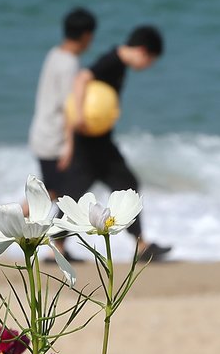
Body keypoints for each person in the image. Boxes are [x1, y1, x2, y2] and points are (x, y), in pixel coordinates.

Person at [60, 25, 172, 262]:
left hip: (99, 139)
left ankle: (140, 244)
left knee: (111, 186)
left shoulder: (118, 64)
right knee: (78, 192)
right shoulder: (111, 61)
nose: (148, 66)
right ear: (142, 51)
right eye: (150, 60)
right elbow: (81, 78)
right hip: (90, 141)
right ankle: (57, 246)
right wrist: (79, 115)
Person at [29, 7, 96, 200]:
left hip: (41, 133)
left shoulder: (55, 54)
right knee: (53, 194)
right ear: (86, 35)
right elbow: (70, 108)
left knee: (51, 193)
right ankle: (7, 223)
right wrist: (69, 148)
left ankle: (10, 222)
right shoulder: (69, 63)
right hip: (53, 140)